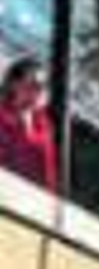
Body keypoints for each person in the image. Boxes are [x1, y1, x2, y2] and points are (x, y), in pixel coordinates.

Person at [0, 54, 59, 192]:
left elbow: (49, 172)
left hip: (31, 201)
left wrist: (49, 200)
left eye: (43, 87)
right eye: (33, 85)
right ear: (14, 84)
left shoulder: (44, 125)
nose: (38, 92)